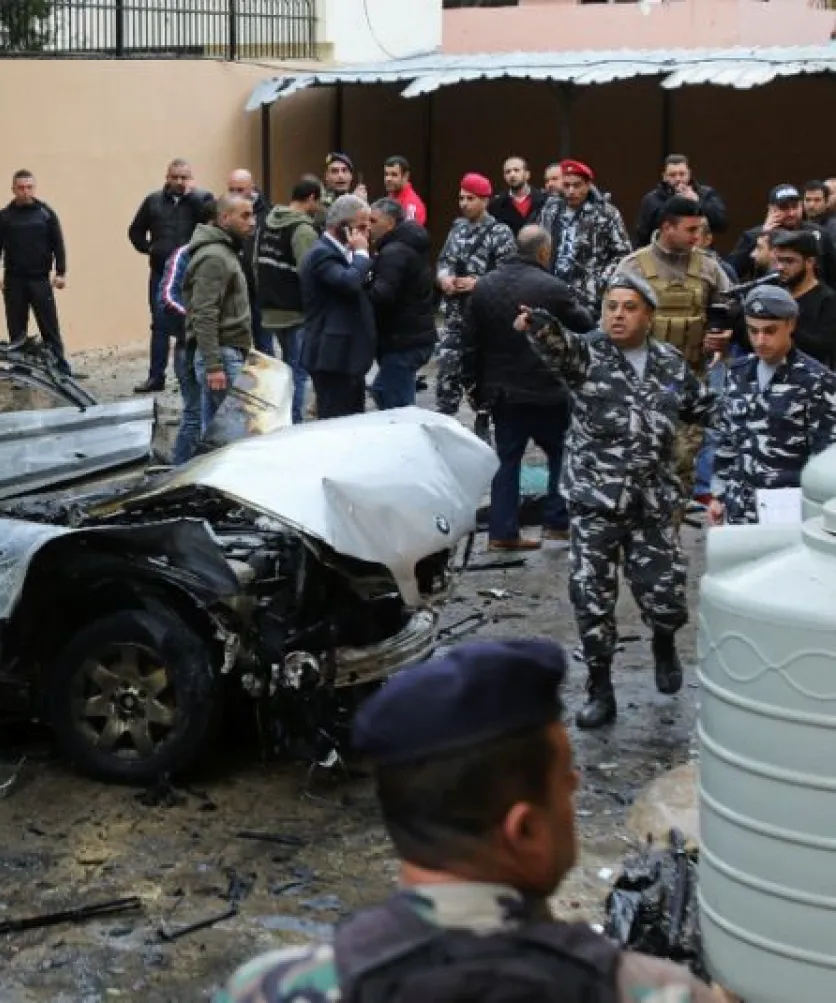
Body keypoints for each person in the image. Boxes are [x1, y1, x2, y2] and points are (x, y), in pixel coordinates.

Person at [215, 638, 720, 1003]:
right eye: (566, 777)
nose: (577, 785)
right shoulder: (655, 992)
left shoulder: (266, 988)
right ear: (524, 829)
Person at [516, 275, 716, 729]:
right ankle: (600, 688)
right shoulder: (587, 355)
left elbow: (702, 407)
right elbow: (557, 344)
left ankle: (664, 641)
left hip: (651, 501)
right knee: (592, 599)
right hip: (595, 501)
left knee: (665, 592)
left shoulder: (669, 362)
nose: (617, 315)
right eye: (610, 306)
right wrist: (537, 323)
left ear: (649, 315)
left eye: (628, 307)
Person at [460, 225, 594, 552]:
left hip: (503, 392)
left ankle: (502, 532)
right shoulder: (553, 287)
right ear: (545, 252)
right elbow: (586, 326)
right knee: (562, 453)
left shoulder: (484, 287)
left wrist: (472, 385)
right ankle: (557, 523)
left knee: (507, 460)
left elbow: (469, 343)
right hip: (548, 390)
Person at [613, 195, 732, 509]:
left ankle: (669, 534)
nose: (697, 237)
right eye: (690, 229)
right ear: (667, 227)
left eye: (699, 230)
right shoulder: (632, 266)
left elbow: (729, 310)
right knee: (637, 469)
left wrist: (722, 337)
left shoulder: (708, 267)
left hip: (688, 385)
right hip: (640, 390)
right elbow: (610, 323)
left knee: (680, 469)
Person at [711, 285, 836, 526]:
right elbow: (728, 438)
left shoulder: (817, 381)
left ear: (791, 325)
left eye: (770, 331)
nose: (760, 340)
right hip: (739, 504)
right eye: (753, 331)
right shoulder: (738, 372)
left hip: (788, 509)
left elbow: (825, 456)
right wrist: (718, 493)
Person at [128, 158, 215, 393]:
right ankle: (156, 377)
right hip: (161, 273)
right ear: (166, 177)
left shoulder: (202, 199)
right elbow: (135, 230)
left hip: (192, 274)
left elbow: (213, 223)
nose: (178, 182)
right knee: (160, 324)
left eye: (183, 177)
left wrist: (193, 197)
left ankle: (190, 375)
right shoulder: (153, 201)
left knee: (191, 323)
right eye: (174, 177)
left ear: (191, 178)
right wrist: (150, 249)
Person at [434, 173, 516, 417]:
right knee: (447, 375)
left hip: (482, 320)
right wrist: (444, 278)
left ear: (485, 200)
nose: (464, 203)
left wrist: (477, 283)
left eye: (470, 198)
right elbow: (444, 260)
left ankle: (484, 429)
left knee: (482, 383)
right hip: (454, 317)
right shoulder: (457, 228)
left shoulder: (500, 232)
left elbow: (509, 274)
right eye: (461, 198)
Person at [184, 195, 257, 434]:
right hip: (222, 356)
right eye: (245, 216)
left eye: (253, 214)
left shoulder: (224, 251)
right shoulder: (214, 256)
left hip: (226, 353)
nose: (253, 222)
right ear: (225, 218)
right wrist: (214, 366)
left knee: (214, 433)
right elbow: (204, 313)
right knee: (236, 433)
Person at [300, 194, 376, 420]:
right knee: (335, 423)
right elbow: (349, 283)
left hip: (348, 357)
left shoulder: (343, 253)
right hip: (332, 357)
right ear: (342, 227)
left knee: (353, 421)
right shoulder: (321, 254)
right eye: (360, 227)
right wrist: (362, 254)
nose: (366, 233)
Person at [0, 169, 70, 372]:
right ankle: (20, 368)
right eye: (21, 188)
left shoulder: (46, 214)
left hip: (40, 280)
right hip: (14, 280)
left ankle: (59, 366)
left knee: (49, 326)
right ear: (13, 189)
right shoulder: (4, 217)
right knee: (17, 328)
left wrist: (60, 273)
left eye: (29, 187)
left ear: (34, 188)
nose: (25, 192)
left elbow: (58, 244)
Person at [256, 178, 324, 424]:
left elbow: (256, 264)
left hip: (270, 309)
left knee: (283, 371)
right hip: (296, 313)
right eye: (319, 201)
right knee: (298, 372)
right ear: (312, 199)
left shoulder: (267, 224)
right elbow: (310, 274)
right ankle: (292, 423)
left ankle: (279, 418)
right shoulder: (303, 230)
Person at [160, 196, 222, 462]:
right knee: (195, 414)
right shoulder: (184, 255)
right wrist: (200, 324)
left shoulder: (231, 252)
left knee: (217, 417)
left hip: (222, 348)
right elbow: (167, 298)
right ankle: (178, 472)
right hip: (191, 347)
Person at [536, 159, 632, 316]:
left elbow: (623, 254)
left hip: (589, 296)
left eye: (577, 185)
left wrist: (601, 281)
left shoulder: (605, 213)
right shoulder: (550, 209)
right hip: (552, 289)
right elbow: (539, 243)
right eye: (566, 185)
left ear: (588, 185)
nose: (571, 191)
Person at [367, 197, 436, 410]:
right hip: (409, 337)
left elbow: (382, 294)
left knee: (395, 401)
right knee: (387, 391)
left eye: (373, 220)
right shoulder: (405, 246)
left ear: (389, 223)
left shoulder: (394, 252)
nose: (368, 227)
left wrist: (359, 286)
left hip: (404, 340)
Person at [726, 183, 836, 284]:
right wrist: (763, 236)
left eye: (795, 206)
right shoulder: (753, 235)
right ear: (771, 209)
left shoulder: (819, 233)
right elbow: (733, 271)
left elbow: (832, 275)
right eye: (784, 208)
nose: (792, 213)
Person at [769, 228, 836, 368]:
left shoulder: (828, 300)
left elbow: (823, 348)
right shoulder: (775, 292)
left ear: (810, 262)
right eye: (778, 260)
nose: (780, 267)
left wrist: (784, 325)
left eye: (789, 261)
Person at [633, 154, 729, 248]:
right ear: (664, 176)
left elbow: (721, 224)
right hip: (663, 255)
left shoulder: (705, 194)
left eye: (682, 174)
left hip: (700, 254)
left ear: (689, 174)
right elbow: (641, 237)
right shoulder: (651, 199)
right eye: (672, 175)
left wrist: (697, 202)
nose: (678, 179)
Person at [228, 168, 273, 354]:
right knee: (238, 342)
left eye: (240, 190)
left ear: (252, 188)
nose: (236, 194)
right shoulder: (224, 211)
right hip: (235, 286)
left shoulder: (267, 212)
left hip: (259, 285)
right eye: (232, 190)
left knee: (264, 343)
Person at [488, 155, 543, 236]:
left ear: (527, 174)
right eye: (508, 172)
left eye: (516, 170)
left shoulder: (544, 200)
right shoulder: (495, 205)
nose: (512, 174)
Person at [382, 155, 427, 226]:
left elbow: (409, 235)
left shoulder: (412, 205)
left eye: (394, 175)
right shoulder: (390, 198)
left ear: (406, 176)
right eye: (386, 174)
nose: (388, 179)